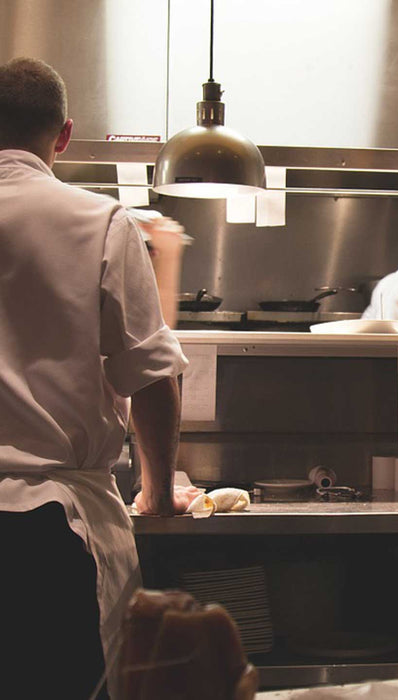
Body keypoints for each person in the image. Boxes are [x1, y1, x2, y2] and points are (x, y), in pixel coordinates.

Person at [0, 57, 198, 698]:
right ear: (63, 135)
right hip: (47, 536)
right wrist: (159, 491)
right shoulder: (100, 222)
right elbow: (150, 377)